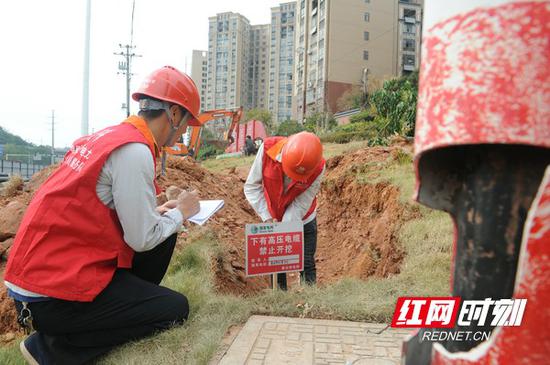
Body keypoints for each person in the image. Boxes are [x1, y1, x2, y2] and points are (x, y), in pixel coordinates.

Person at [4, 66, 201, 364]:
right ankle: (51, 350)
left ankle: (123, 305)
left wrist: (158, 213)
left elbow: (97, 209)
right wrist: (182, 212)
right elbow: (142, 238)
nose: (185, 130)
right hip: (49, 297)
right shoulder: (134, 151)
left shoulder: (110, 138)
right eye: (186, 121)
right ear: (173, 114)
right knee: (175, 309)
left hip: (45, 276)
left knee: (165, 232)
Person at [244, 131, 325, 290]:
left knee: (306, 262)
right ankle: (280, 299)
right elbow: (252, 187)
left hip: (304, 218)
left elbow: (301, 204)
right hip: (273, 217)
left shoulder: (319, 167)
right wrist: (268, 218)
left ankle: (309, 302)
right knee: (276, 265)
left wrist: (285, 231)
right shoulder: (267, 149)